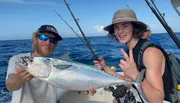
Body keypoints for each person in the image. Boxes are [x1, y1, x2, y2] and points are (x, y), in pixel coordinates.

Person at [91, 8, 172, 103]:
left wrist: (135, 75)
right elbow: (128, 82)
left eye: (124, 26)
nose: (119, 31)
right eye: (116, 27)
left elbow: (157, 100)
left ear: (135, 28)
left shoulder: (150, 52)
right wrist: (105, 68)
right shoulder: (129, 52)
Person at [5, 25, 64, 103]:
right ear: (34, 39)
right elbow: (10, 86)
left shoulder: (58, 63)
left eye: (53, 40)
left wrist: (82, 86)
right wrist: (19, 78)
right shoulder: (18, 59)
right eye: (43, 37)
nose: (48, 42)